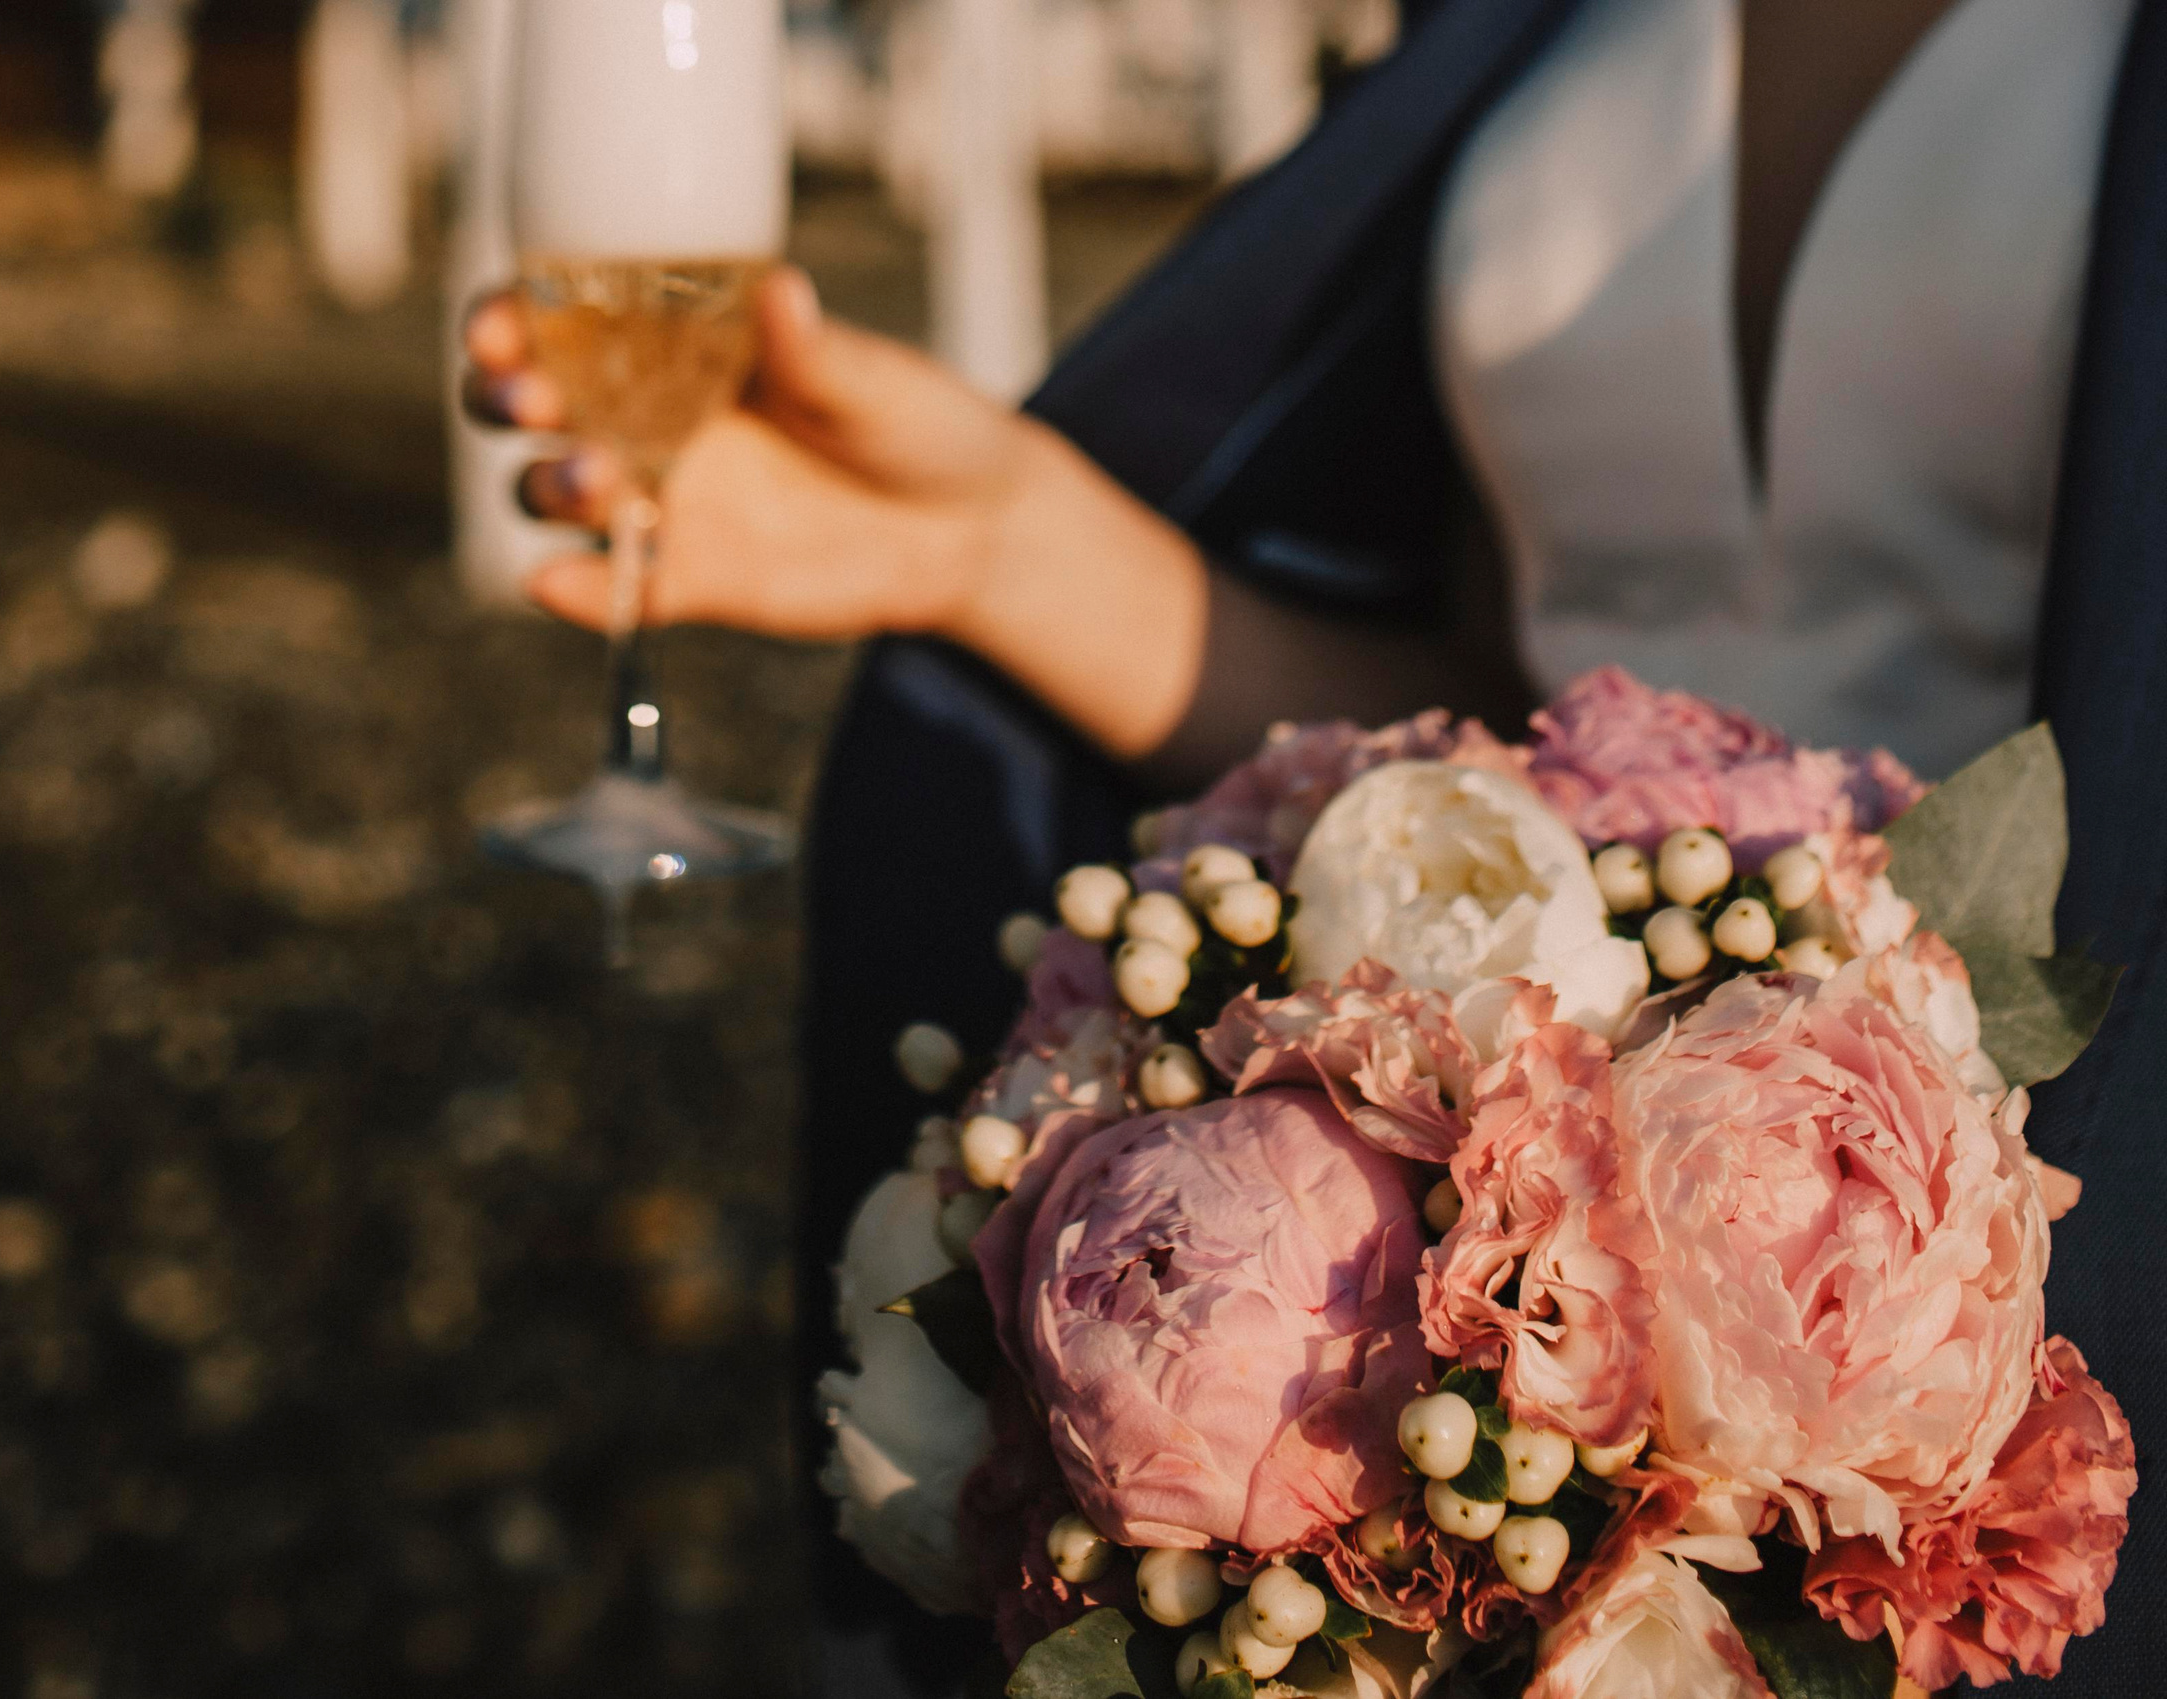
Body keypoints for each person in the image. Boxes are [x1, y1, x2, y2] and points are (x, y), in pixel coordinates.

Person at [466, 1, 2167, 1693]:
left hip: (2006, 1205)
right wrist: (989, 548)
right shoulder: (1535, 30)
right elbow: (1499, 723)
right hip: (1518, 1227)